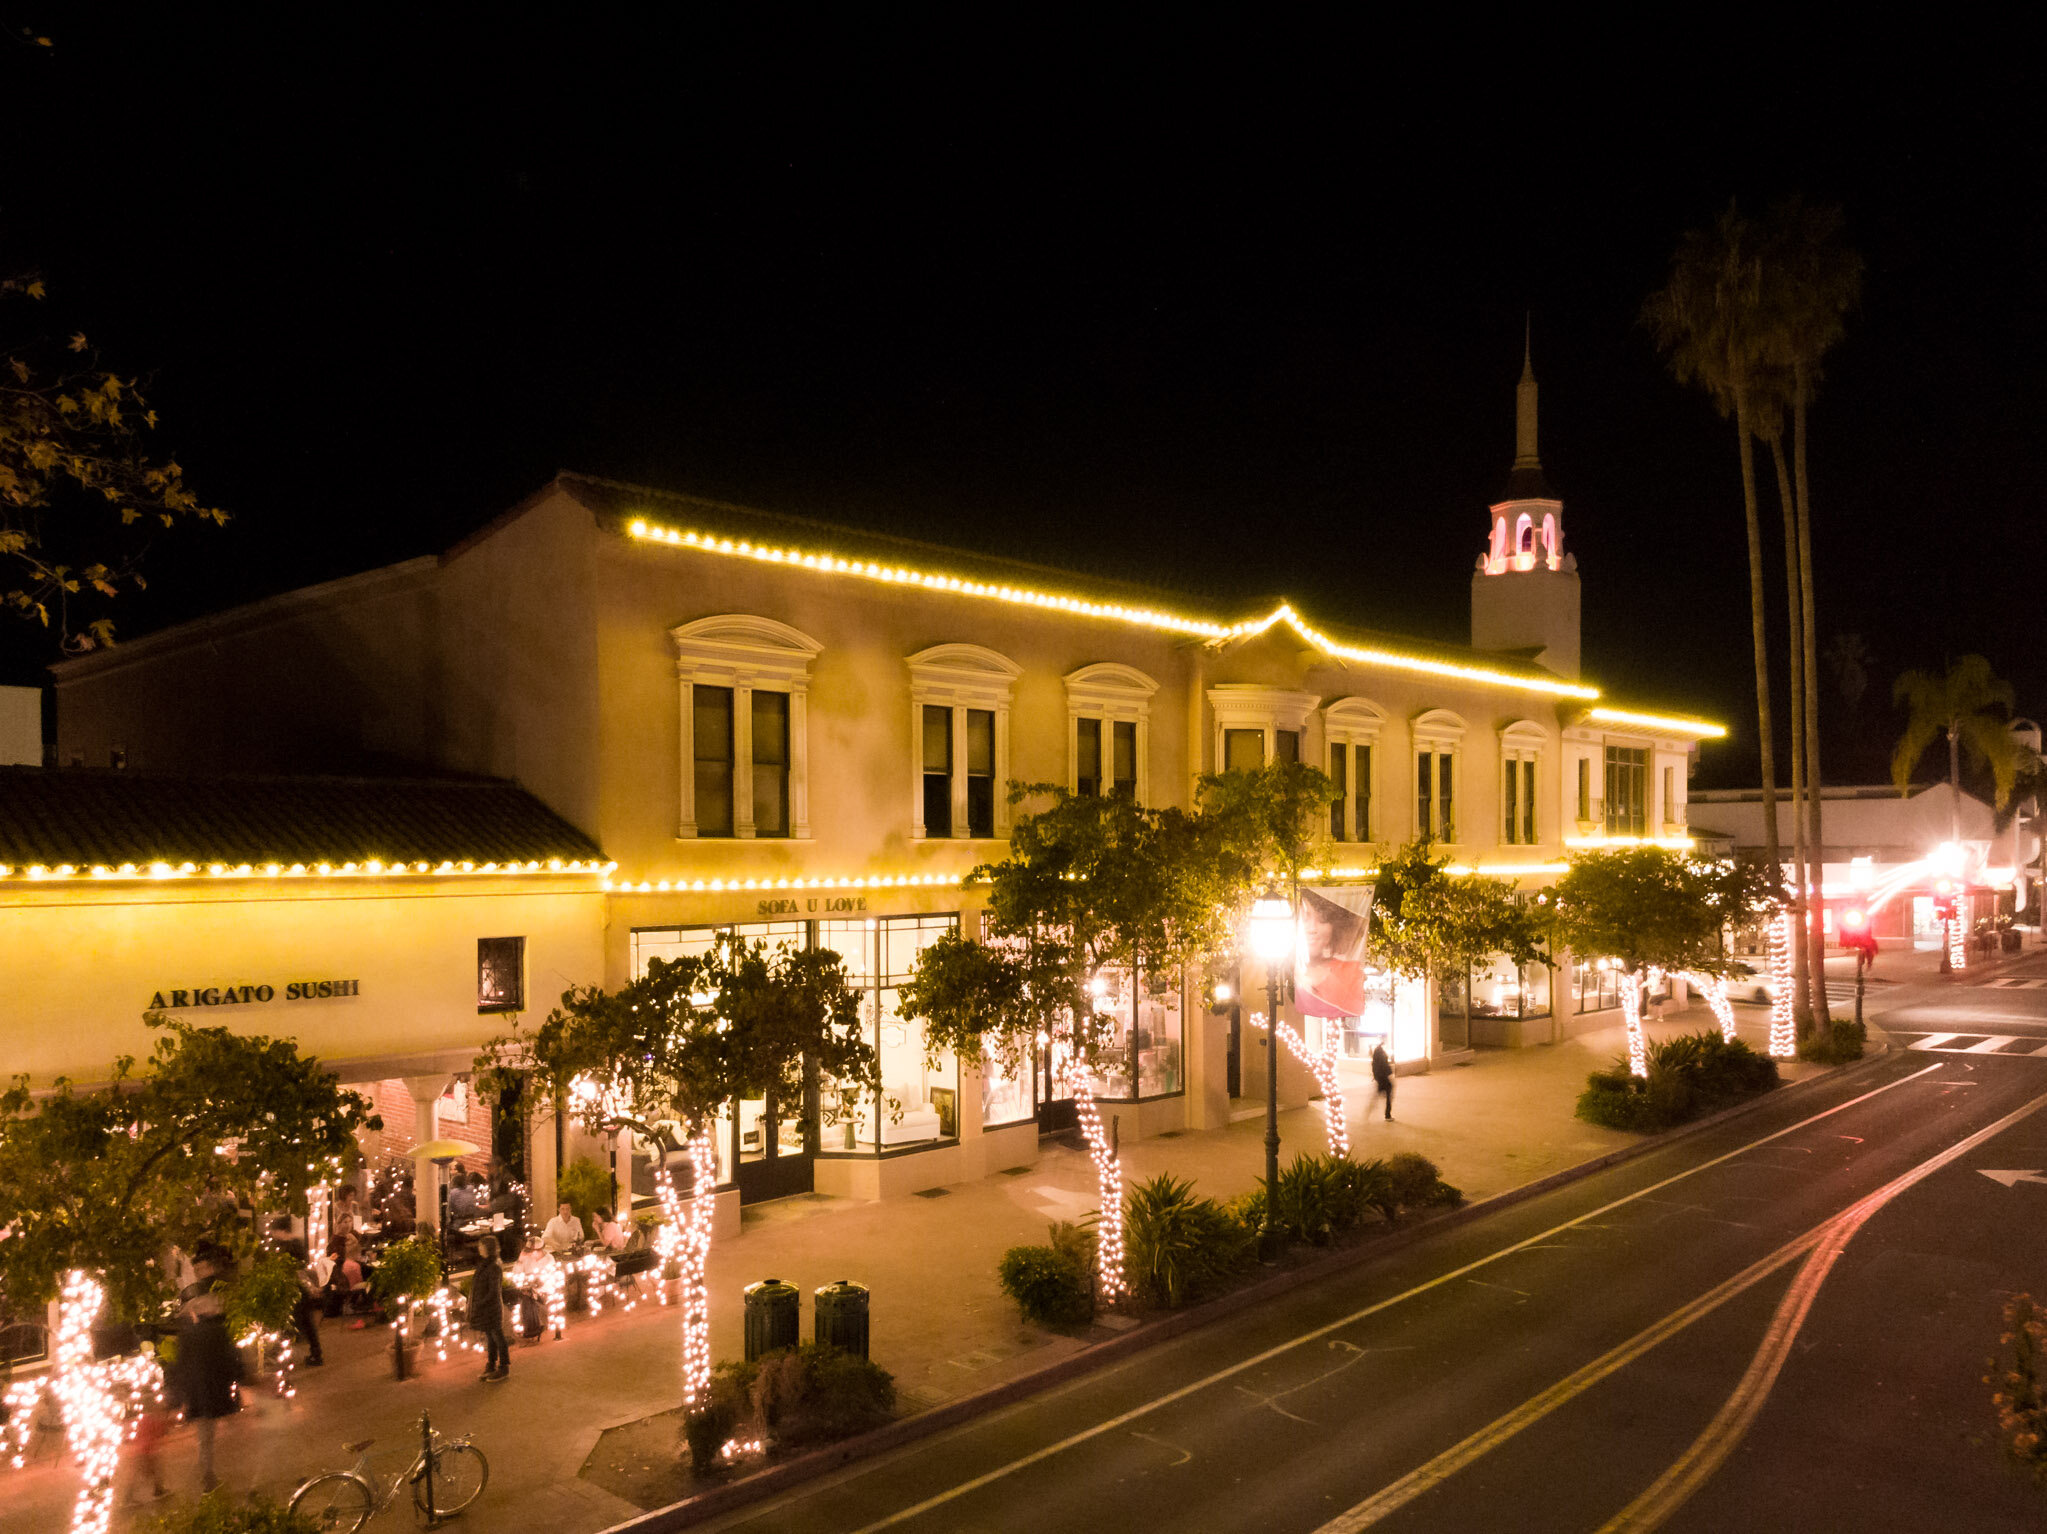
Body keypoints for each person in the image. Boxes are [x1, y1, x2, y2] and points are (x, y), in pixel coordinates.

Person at [167, 1285, 243, 1494]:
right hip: (214, 1390)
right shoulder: (218, 1331)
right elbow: (230, 1360)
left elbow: (179, 1366)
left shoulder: (188, 1334)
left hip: (197, 1393)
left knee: (205, 1437)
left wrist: (176, 1398)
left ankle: (207, 1477)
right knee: (209, 1435)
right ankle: (208, 1478)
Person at [266, 1216, 324, 1366]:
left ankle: (284, 1355)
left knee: (292, 1322)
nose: (273, 1234)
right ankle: (315, 1353)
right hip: (299, 1288)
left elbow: (296, 1269)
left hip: (294, 1288)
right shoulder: (295, 1243)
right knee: (305, 1322)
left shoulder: (288, 1246)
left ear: (281, 1230)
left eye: (274, 1231)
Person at [469, 1236, 510, 1383]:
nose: (479, 1248)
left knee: (498, 1337)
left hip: (491, 1308)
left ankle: (504, 1367)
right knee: (490, 1337)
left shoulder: (494, 1267)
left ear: (487, 1248)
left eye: (481, 1246)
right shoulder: (485, 1265)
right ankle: (491, 1365)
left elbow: (493, 1291)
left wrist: (480, 1302)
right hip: (485, 1308)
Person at [1370, 1040, 1395, 1121]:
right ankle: (1387, 1115)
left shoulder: (1377, 1053)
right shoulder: (1381, 1054)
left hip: (1380, 1078)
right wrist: (1390, 1073)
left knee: (1378, 1094)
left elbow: (1375, 1066)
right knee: (1389, 1093)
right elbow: (1385, 1065)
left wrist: (1375, 1076)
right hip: (1384, 1078)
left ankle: (1371, 1108)